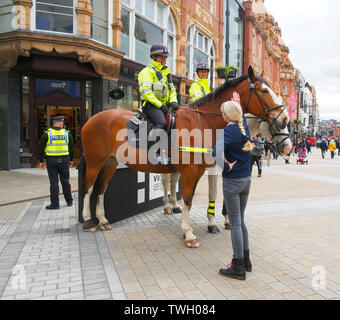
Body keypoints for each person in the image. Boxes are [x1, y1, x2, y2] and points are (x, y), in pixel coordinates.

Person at [213, 92, 253, 281]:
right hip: (246, 180)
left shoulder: (227, 131)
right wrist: (238, 105)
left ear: (227, 116)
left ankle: (238, 267)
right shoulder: (243, 127)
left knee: (235, 224)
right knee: (241, 221)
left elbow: (215, 154)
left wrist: (226, 165)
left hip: (232, 183)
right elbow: (241, 118)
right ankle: (246, 261)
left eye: (223, 113)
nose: (222, 116)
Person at [137, 43, 180, 164]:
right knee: (161, 122)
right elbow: (146, 93)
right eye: (161, 57)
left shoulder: (166, 73)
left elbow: (172, 89)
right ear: (154, 57)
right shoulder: (146, 72)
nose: (164, 60)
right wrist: (161, 106)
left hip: (164, 106)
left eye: (165, 57)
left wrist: (174, 102)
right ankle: (153, 154)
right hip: (150, 105)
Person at [38, 114, 74, 209]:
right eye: (62, 122)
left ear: (54, 124)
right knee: (65, 181)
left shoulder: (47, 134)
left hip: (51, 161)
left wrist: (41, 161)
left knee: (54, 182)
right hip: (64, 160)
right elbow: (72, 148)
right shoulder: (67, 134)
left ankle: (55, 204)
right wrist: (71, 160)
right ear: (60, 123)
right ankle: (69, 201)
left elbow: (41, 148)